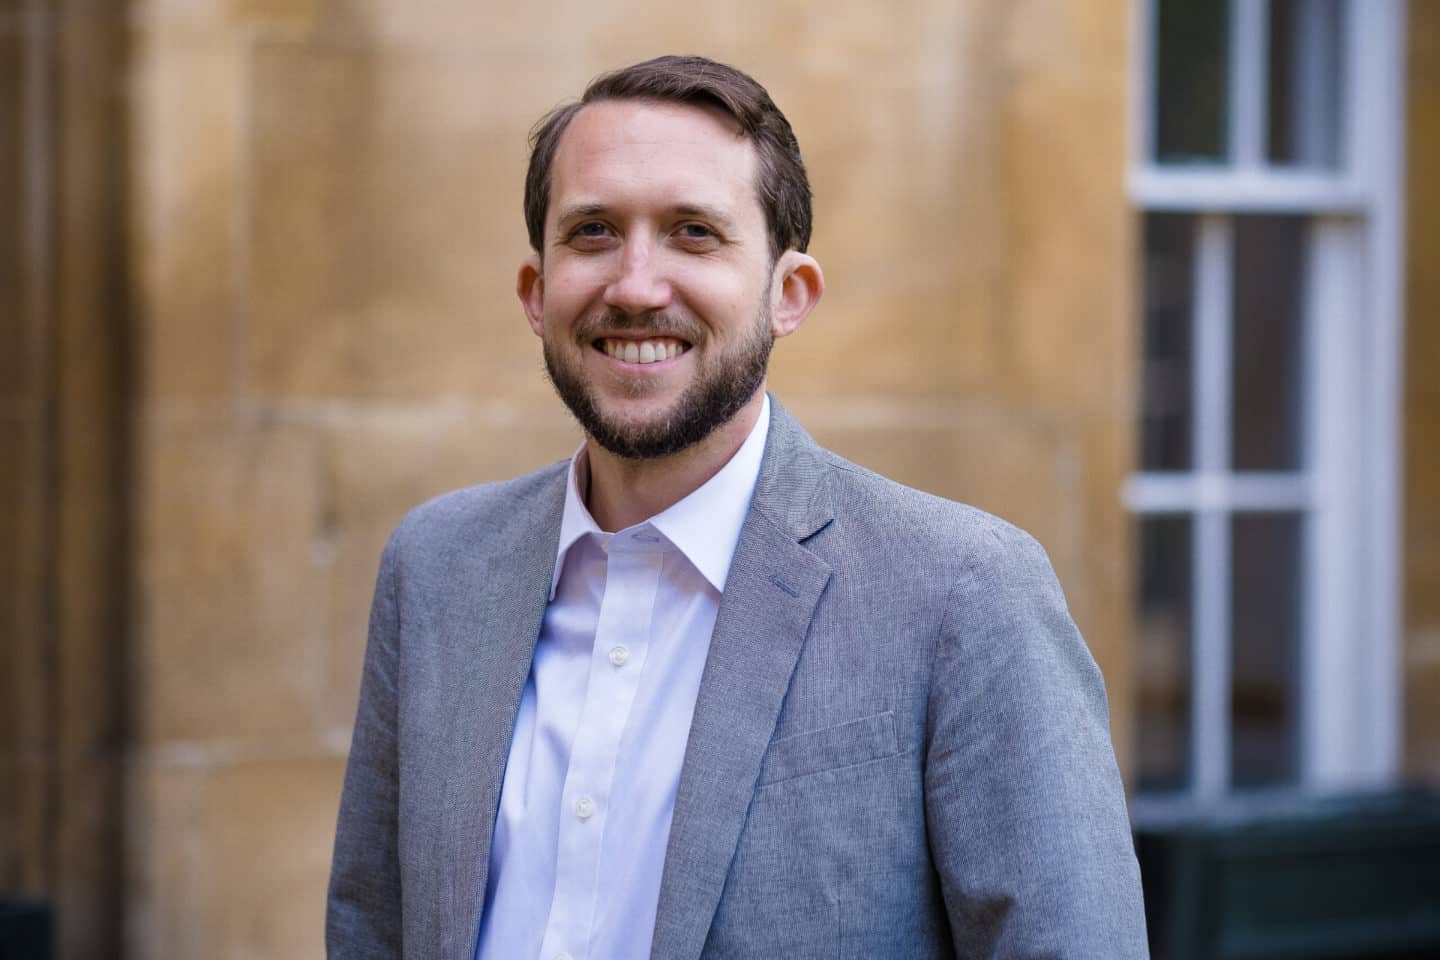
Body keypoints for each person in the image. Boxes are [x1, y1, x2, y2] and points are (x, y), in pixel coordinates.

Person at [326, 55, 1148, 960]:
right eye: (593, 231)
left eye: (693, 233)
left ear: (787, 296)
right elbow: (371, 926)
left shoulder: (963, 591)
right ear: (536, 291)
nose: (636, 285)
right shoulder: (436, 567)